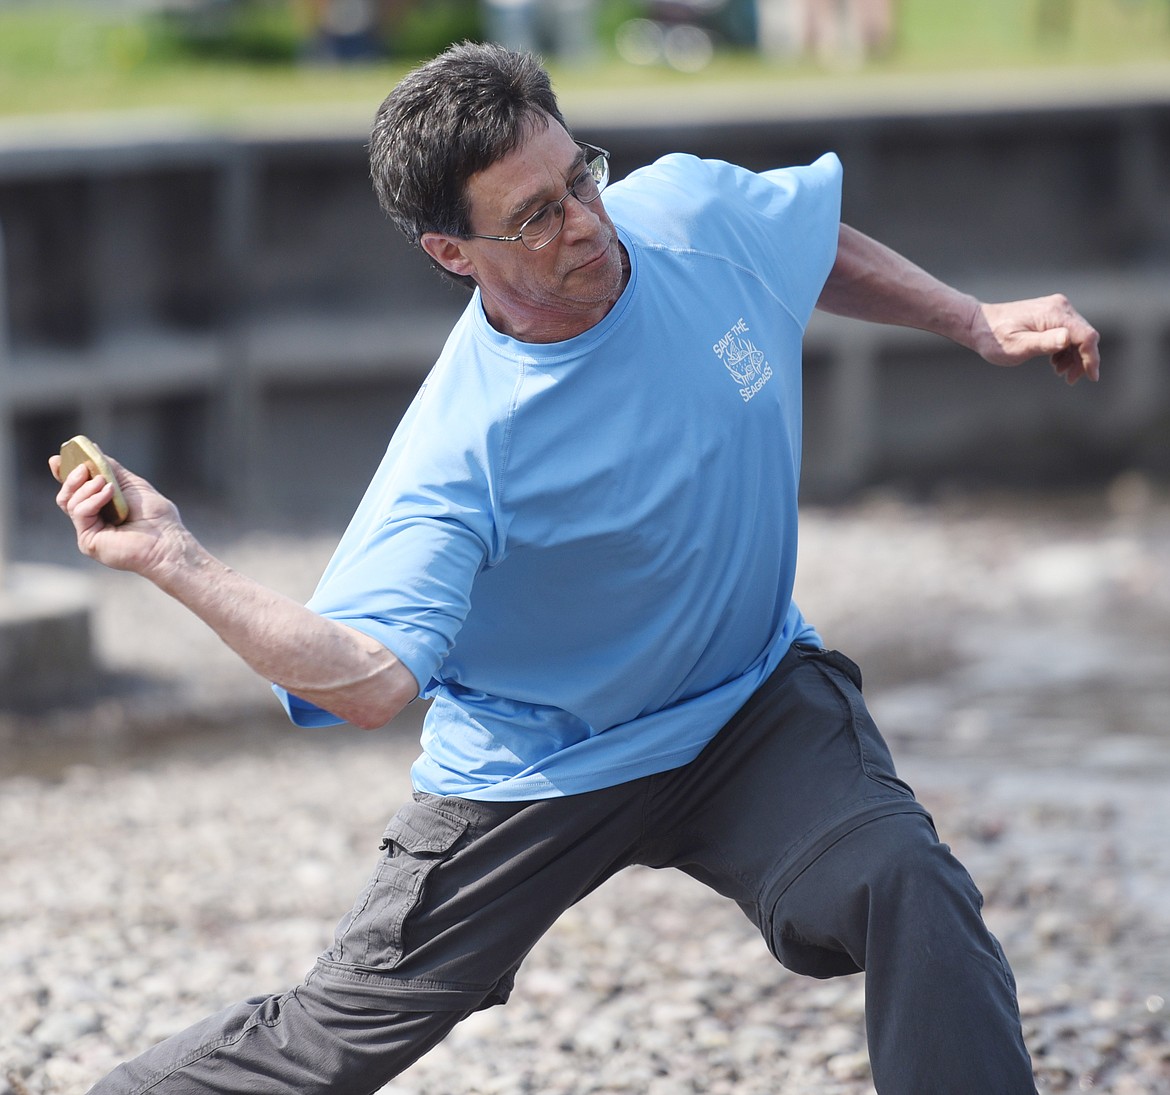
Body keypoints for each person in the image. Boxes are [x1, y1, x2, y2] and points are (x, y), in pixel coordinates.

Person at [54, 41, 1099, 1095]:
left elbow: (804, 240)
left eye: (579, 178)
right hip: (540, 763)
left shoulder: (688, 215)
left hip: (746, 707)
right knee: (335, 1038)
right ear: (452, 253)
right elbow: (367, 679)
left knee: (906, 878)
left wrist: (969, 318)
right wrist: (176, 558)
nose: (586, 221)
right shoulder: (463, 452)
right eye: (534, 216)